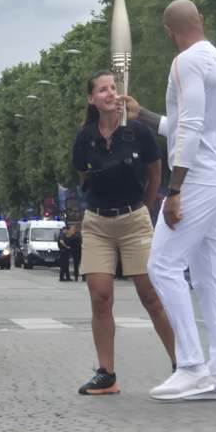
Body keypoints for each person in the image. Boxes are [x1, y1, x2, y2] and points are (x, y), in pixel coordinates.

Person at [124, 0, 216, 402]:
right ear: (201, 21)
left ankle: (191, 366)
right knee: (211, 279)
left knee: (162, 264)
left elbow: (190, 126)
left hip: (199, 180)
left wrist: (174, 190)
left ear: (168, 30)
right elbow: (190, 126)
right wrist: (143, 114)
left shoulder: (185, 62)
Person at [72, 69, 175, 396]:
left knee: (151, 296)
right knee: (100, 296)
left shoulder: (138, 132)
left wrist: (146, 206)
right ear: (91, 99)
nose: (110, 93)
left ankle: (182, 364)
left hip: (134, 220)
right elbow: (83, 177)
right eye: (102, 89)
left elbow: (156, 172)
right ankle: (106, 374)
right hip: (97, 223)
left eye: (113, 87)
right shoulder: (85, 137)